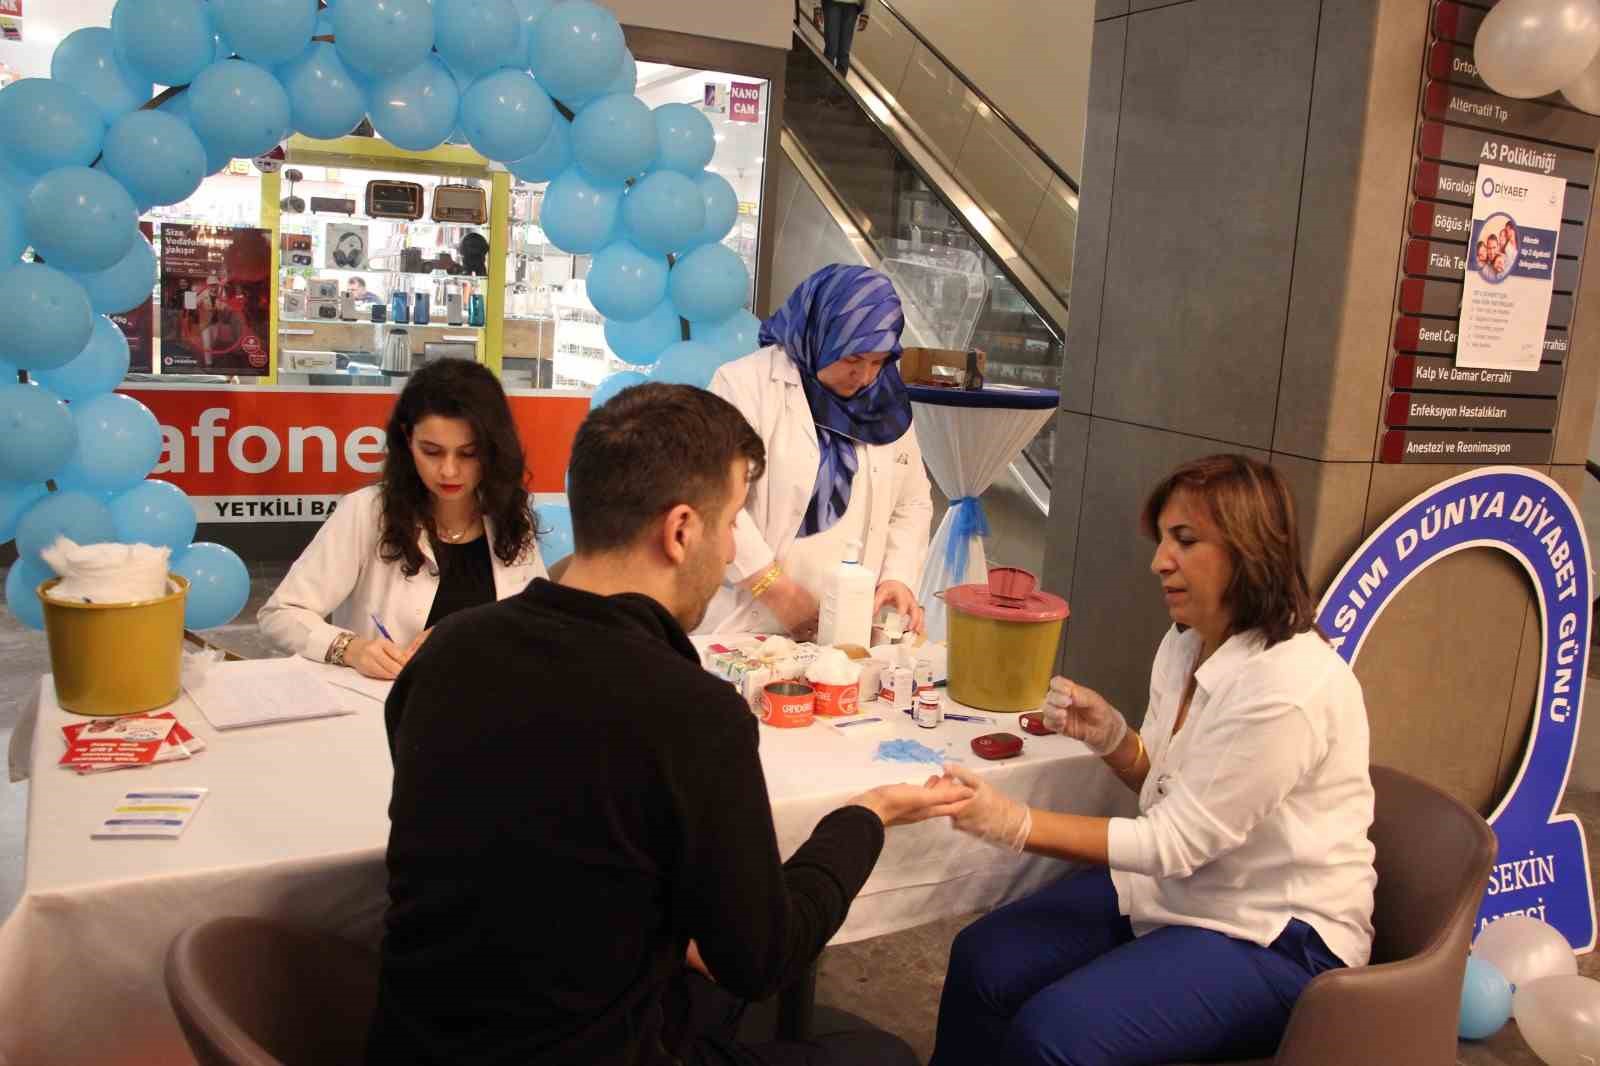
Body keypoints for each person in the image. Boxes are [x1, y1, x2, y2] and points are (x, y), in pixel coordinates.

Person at [366, 383, 973, 1066]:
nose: (727, 561)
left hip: (416, 1042)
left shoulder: (446, 651)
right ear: (682, 530)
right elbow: (758, 959)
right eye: (732, 524)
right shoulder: (692, 712)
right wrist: (867, 815)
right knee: (882, 1054)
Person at [929, 454, 1377, 1066]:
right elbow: (1171, 795)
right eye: (1163, 539)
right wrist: (1117, 741)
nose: (1159, 560)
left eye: (1185, 541)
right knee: (985, 960)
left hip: (1277, 935)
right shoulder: (1185, 643)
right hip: (1189, 891)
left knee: (1055, 1037)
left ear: (1250, 549)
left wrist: (1015, 823)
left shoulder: (1289, 687)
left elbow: (1173, 842)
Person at [258, 359, 546, 678]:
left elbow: (536, 622)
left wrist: (468, 638)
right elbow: (280, 613)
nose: (449, 471)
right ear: (407, 439)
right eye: (432, 451)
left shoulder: (508, 516)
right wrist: (350, 648)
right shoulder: (366, 512)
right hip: (383, 712)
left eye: (468, 453)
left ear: (493, 449)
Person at [699, 264, 932, 640]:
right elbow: (713, 498)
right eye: (853, 360)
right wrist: (776, 591)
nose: (866, 377)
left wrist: (897, 577)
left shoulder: (885, 402)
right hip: (755, 619)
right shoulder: (744, 385)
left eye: (878, 361)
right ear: (818, 335)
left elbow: (913, 502)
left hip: (853, 624)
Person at [820, 0, 867, 74]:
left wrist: (865, 13)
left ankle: (839, 84)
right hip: (832, 3)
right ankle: (826, 81)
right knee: (831, 48)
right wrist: (816, 5)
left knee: (844, 52)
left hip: (852, 6)